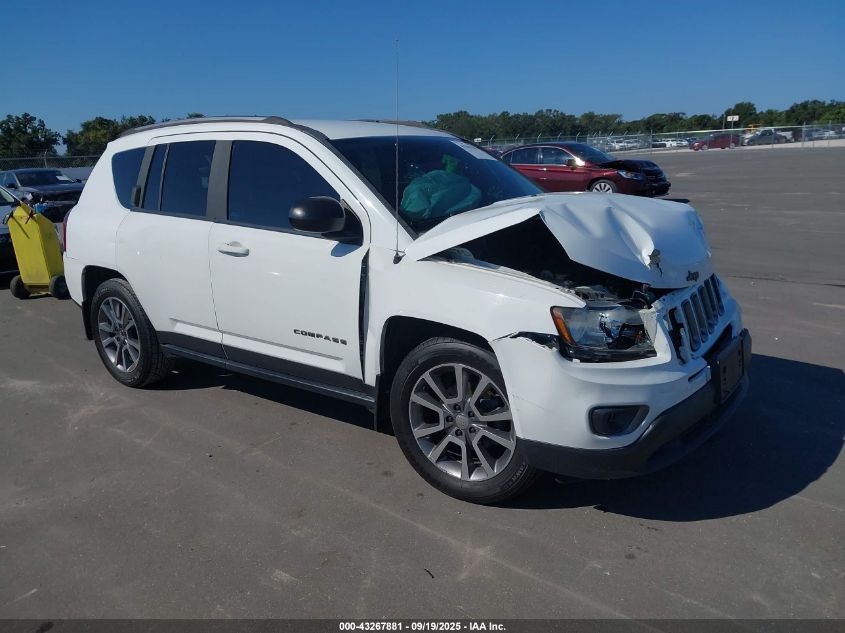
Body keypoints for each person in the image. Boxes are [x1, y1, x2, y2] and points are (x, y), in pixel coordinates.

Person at [400, 153, 481, 222]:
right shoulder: (423, 184)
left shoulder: (472, 188)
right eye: (452, 161)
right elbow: (414, 216)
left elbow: (414, 216)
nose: (458, 163)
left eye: (453, 161)